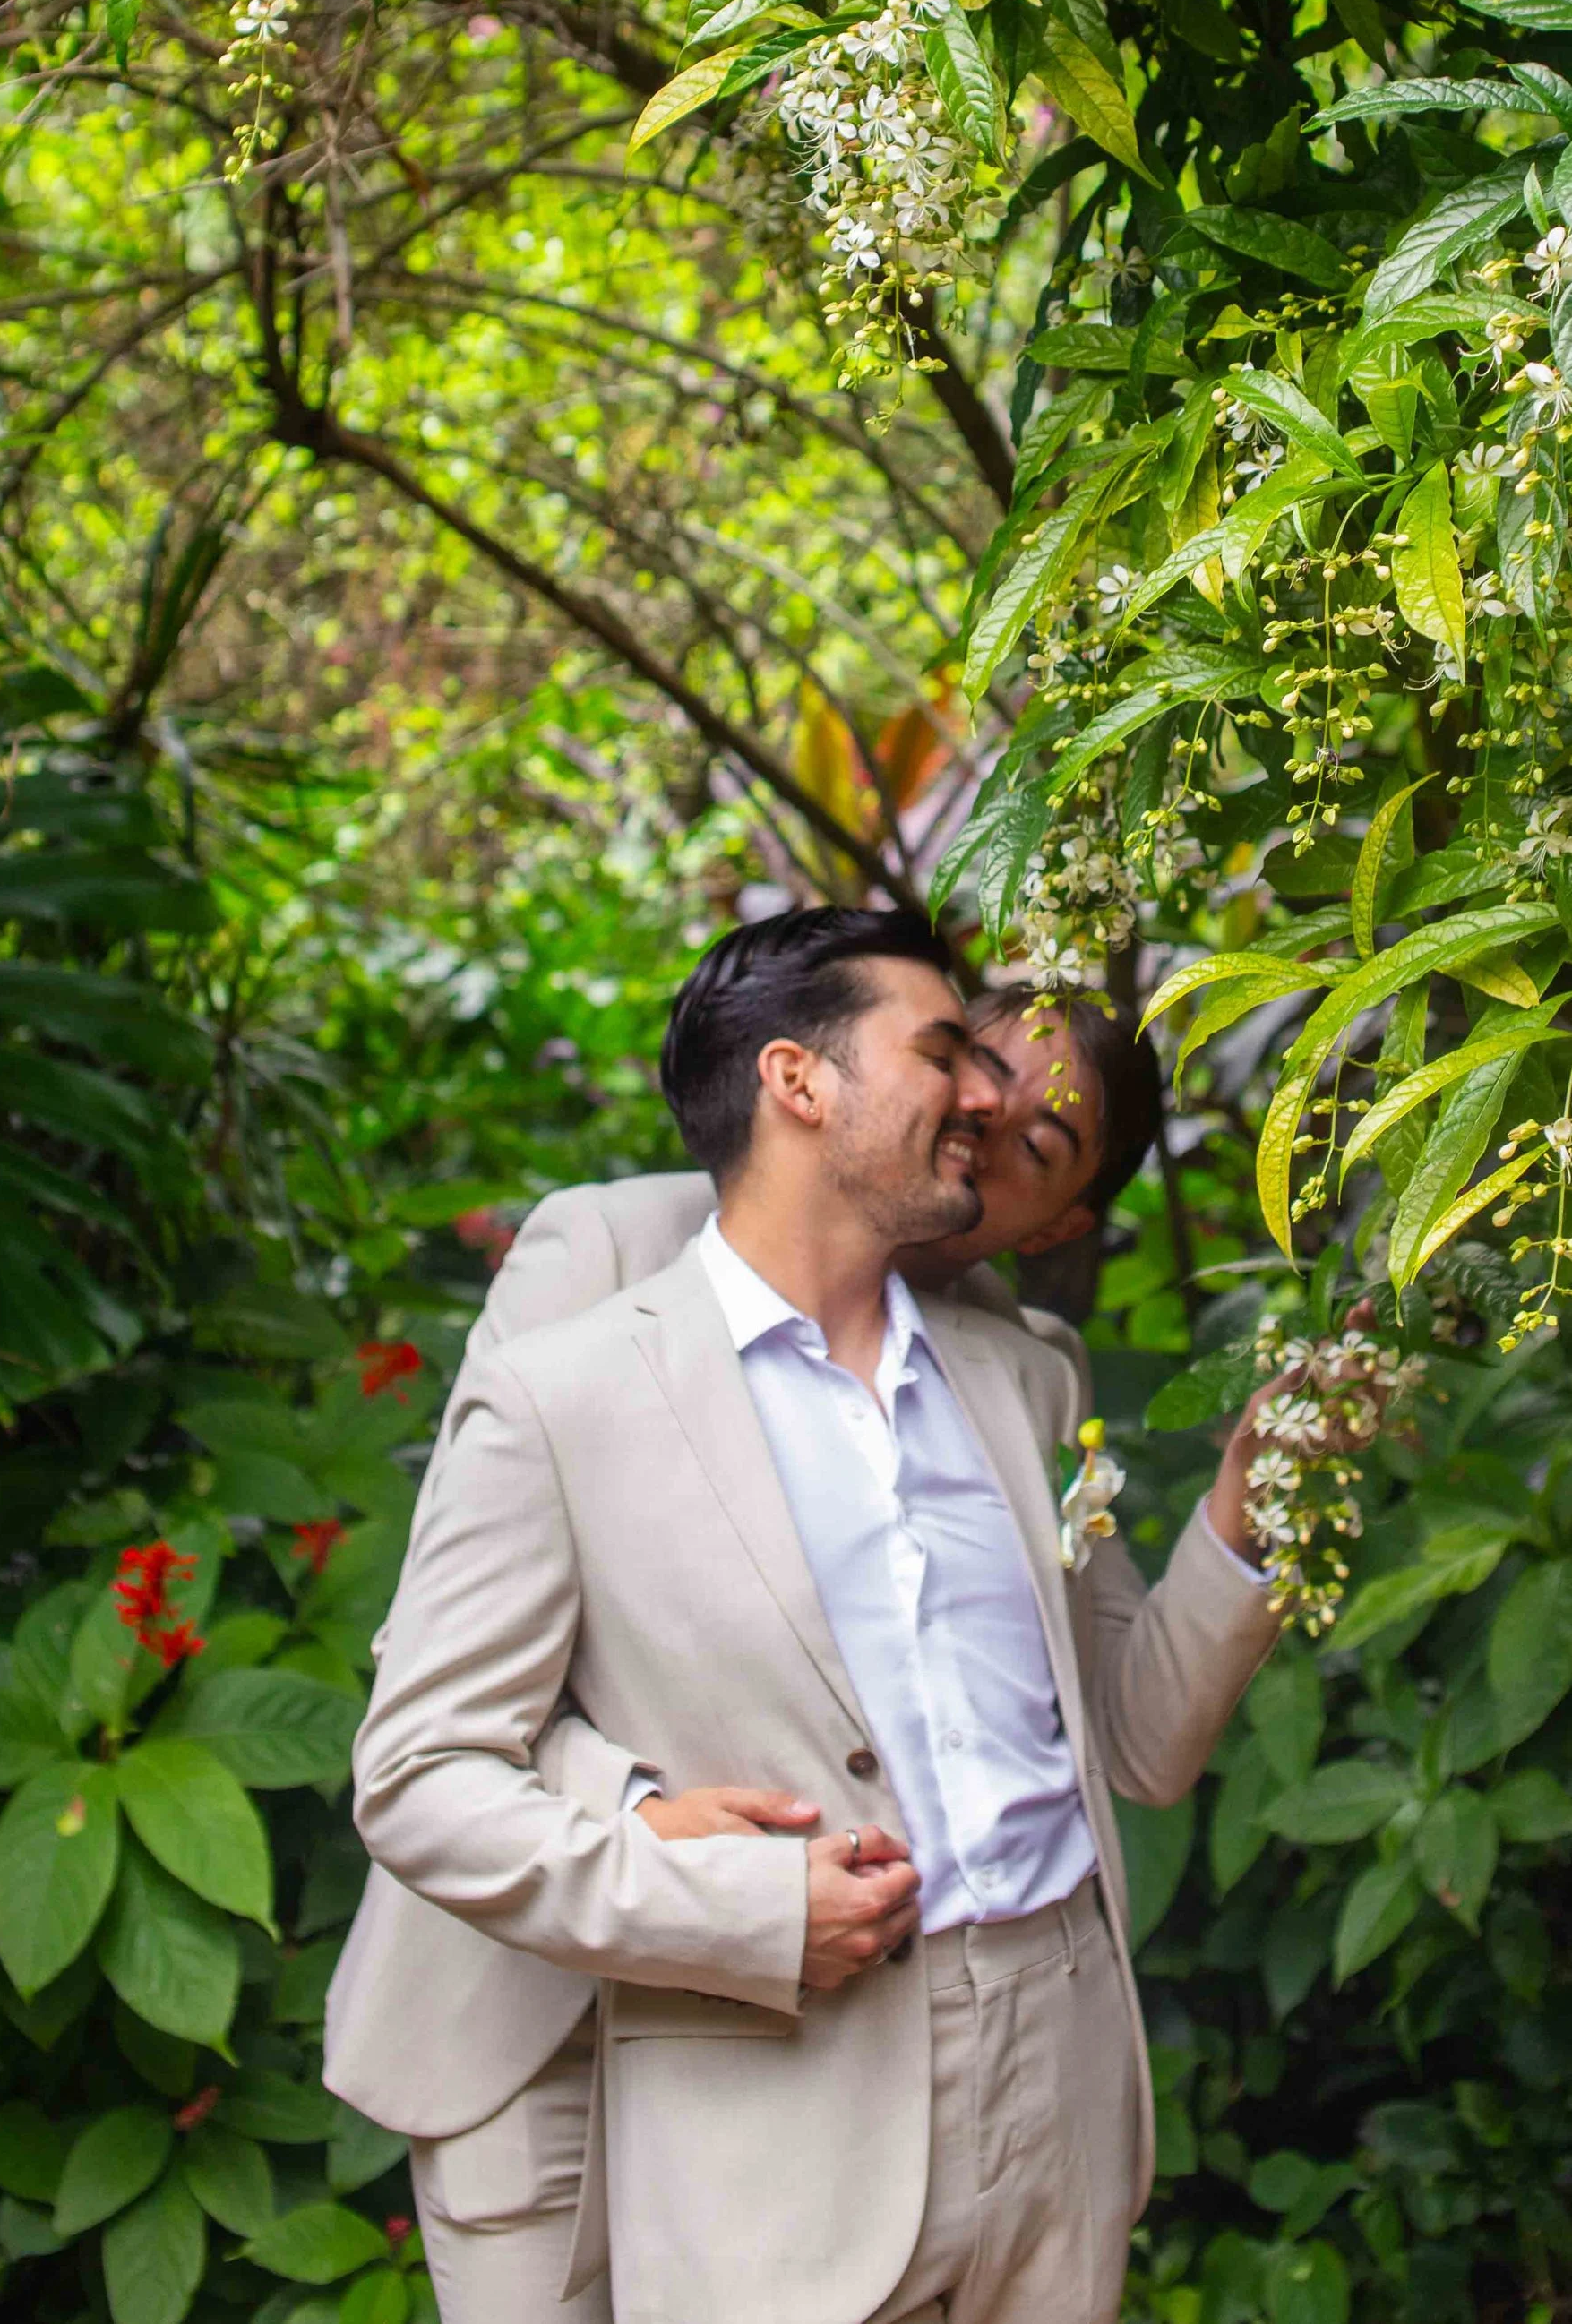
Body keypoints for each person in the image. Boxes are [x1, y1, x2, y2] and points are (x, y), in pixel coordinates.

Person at [341, 912, 1288, 2324]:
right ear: (803, 1080)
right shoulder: (612, 1266)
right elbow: (447, 1682)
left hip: (938, 2040)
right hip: (548, 2018)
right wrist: (667, 1825)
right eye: (969, 1057)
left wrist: (1256, 1506)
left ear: (1067, 1220)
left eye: (1036, 1140)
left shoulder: (1017, 1373)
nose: (986, 1108)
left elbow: (1109, 1727)